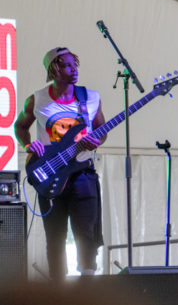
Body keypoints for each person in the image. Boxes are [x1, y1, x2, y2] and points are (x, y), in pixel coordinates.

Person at [14, 47, 106, 280]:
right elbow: (20, 126)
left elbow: (101, 130)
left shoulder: (90, 97)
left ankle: (87, 283)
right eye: (66, 65)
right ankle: (57, 286)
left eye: (74, 64)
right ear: (53, 70)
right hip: (50, 173)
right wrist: (28, 145)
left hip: (82, 172)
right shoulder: (37, 99)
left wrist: (96, 140)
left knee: (86, 233)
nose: (73, 69)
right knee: (55, 236)